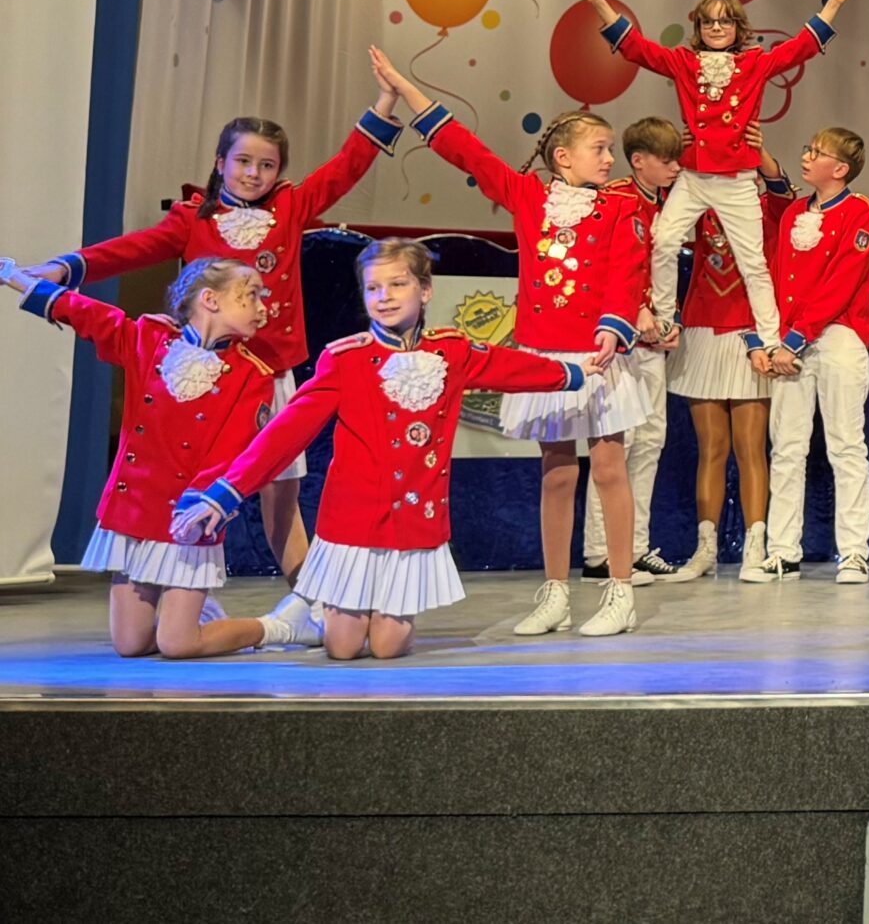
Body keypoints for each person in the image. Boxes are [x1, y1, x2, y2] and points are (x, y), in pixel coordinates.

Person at [31, 86, 403, 598]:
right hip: (205, 384)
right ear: (220, 163)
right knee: (183, 484)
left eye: (267, 165)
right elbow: (131, 249)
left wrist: (383, 105)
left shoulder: (291, 208)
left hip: (268, 378)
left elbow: (345, 169)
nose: (253, 174)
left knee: (281, 498)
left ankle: (314, 601)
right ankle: (181, 598)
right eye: (243, 161)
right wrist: (66, 268)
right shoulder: (193, 220)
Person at [172, 241, 603, 659]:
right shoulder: (345, 359)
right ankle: (294, 622)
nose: (385, 297)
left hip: (412, 523)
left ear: (425, 290)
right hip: (352, 523)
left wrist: (574, 372)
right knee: (342, 648)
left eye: (397, 284)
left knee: (387, 646)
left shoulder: (451, 351)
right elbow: (285, 433)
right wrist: (228, 491)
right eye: (373, 288)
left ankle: (367, 615)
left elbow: (511, 367)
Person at [377, 49, 651, 637]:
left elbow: (629, 270)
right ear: (563, 157)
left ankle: (620, 592)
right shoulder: (529, 196)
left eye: (610, 149)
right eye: (600, 148)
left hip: (597, 353)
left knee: (609, 467)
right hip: (545, 355)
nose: (610, 158)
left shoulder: (622, 206)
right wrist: (405, 87)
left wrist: (614, 325)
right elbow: (463, 149)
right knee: (556, 471)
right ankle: (555, 593)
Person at [0, 256, 305, 658]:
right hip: (134, 511)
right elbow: (85, 314)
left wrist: (204, 505)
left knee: (178, 644)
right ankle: (198, 615)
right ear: (210, 300)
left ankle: (279, 627)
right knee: (130, 645)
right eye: (250, 296)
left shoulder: (253, 374)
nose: (263, 308)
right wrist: (15, 278)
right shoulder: (149, 340)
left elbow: (231, 451)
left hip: (186, 515)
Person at [580, 0, 851, 353]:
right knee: (664, 240)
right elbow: (637, 48)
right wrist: (599, 2)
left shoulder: (754, 63)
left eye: (725, 21)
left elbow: (800, 48)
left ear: (738, 27)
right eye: (708, 22)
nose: (717, 28)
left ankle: (771, 340)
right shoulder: (684, 62)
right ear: (699, 28)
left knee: (753, 262)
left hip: (737, 180)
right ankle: (666, 317)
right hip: (693, 177)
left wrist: (834, 4)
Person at [753, 127, 869, 586]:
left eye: (816, 152)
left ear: (840, 168)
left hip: (837, 337)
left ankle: (854, 552)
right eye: (807, 149)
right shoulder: (792, 213)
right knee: (787, 445)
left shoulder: (860, 212)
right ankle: (782, 551)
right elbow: (774, 274)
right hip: (791, 340)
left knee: (845, 445)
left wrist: (796, 337)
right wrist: (768, 340)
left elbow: (842, 281)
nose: (806, 157)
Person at [662, 136, 784, 582]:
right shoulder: (698, 201)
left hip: (750, 332)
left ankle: (756, 546)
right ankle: (705, 549)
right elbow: (666, 201)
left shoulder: (766, 207)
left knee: (751, 446)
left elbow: (782, 191)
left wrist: (759, 151)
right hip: (702, 327)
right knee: (711, 447)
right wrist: (691, 151)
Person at [585, 116, 686, 583]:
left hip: (651, 341)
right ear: (639, 160)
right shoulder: (614, 199)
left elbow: (663, 270)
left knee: (650, 441)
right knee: (614, 446)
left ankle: (635, 546)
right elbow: (608, 267)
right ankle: (600, 553)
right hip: (617, 339)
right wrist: (638, 311)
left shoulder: (667, 203)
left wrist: (669, 322)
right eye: (667, 160)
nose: (675, 168)